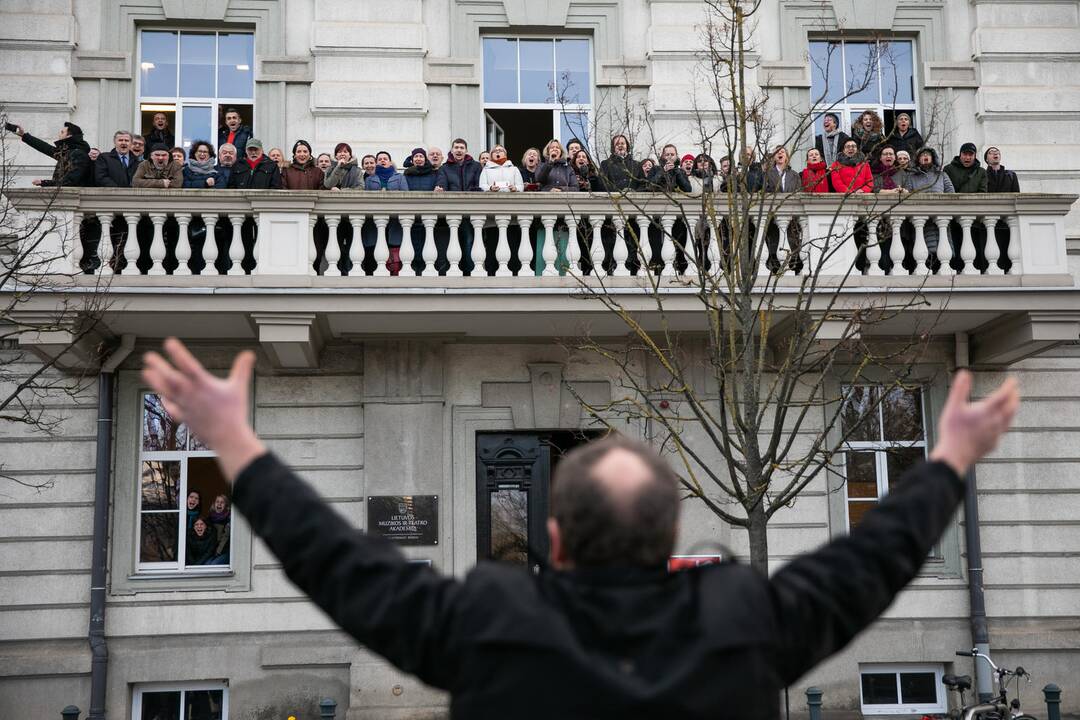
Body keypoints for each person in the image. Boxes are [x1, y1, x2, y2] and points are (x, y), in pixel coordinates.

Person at [141, 337, 1020, 720]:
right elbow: (872, 559)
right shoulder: (745, 622)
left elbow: (340, 565)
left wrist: (235, 446)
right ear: (672, 531)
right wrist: (944, 464)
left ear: (553, 542)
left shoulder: (489, 624)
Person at [365, 151, 408, 275]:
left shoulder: (399, 177)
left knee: (394, 252)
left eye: (385, 159)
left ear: (390, 162)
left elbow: (406, 196)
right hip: (374, 221)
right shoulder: (369, 179)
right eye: (380, 159)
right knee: (374, 251)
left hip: (395, 221)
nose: (382, 161)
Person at [13, 121, 93, 187]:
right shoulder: (66, 152)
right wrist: (24, 135)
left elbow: (71, 181)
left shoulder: (79, 155)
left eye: (62, 132)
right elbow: (45, 147)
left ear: (69, 136)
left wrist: (45, 183)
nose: (59, 135)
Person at [207, 494, 232, 564]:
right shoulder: (209, 519)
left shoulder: (229, 520)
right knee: (206, 565)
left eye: (222, 502)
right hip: (211, 552)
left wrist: (217, 553)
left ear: (226, 505)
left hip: (224, 552)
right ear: (214, 504)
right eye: (217, 501)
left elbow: (225, 538)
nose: (219, 504)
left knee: (212, 565)